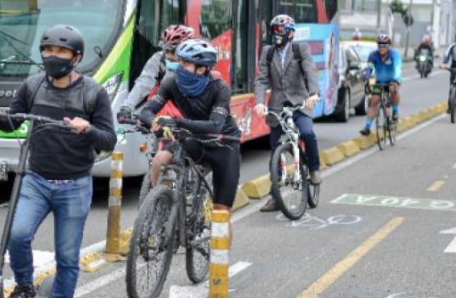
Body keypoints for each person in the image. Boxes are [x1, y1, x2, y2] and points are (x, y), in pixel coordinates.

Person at [0, 25, 116, 298]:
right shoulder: (33, 86)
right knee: (18, 234)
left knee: (67, 258)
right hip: (36, 179)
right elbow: (13, 118)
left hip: (74, 185)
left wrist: (89, 130)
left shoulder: (93, 93)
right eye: (48, 50)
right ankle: (25, 286)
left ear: (76, 58)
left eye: (61, 52)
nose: (52, 57)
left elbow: (109, 138)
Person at [138, 39, 241, 209]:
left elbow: (214, 125)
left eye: (185, 64)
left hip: (224, 145)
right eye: (179, 62)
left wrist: (177, 122)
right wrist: (154, 122)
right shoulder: (171, 82)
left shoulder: (219, 88)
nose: (179, 67)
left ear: (202, 68)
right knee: (159, 160)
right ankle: (162, 206)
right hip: (193, 139)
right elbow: (146, 111)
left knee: (221, 214)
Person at [253, 15, 322, 212]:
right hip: (276, 106)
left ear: (290, 33)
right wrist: (259, 103)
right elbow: (261, 80)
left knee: (307, 133)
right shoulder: (267, 52)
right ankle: (275, 196)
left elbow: (310, 72)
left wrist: (314, 94)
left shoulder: (301, 49)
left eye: (280, 30)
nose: (277, 34)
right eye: (274, 30)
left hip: (300, 103)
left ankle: (314, 169)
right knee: (275, 149)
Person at [118, 24, 195, 121]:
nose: (168, 54)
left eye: (172, 50)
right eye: (166, 49)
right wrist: (127, 107)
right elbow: (143, 83)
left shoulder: (197, 64)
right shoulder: (159, 59)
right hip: (163, 114)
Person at [360, 34, 403, 135]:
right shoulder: (373, 55)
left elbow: (397, 68)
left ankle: (395, 112)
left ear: (389, 46)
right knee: (374, 102)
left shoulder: (394, 55)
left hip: (393, 80)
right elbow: (369, 69)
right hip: (379, 82)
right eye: (380, 45)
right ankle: (367, 127)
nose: (382, 48)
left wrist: (396, 80)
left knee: (393, 89)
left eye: (384, 45)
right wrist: (366, 78)